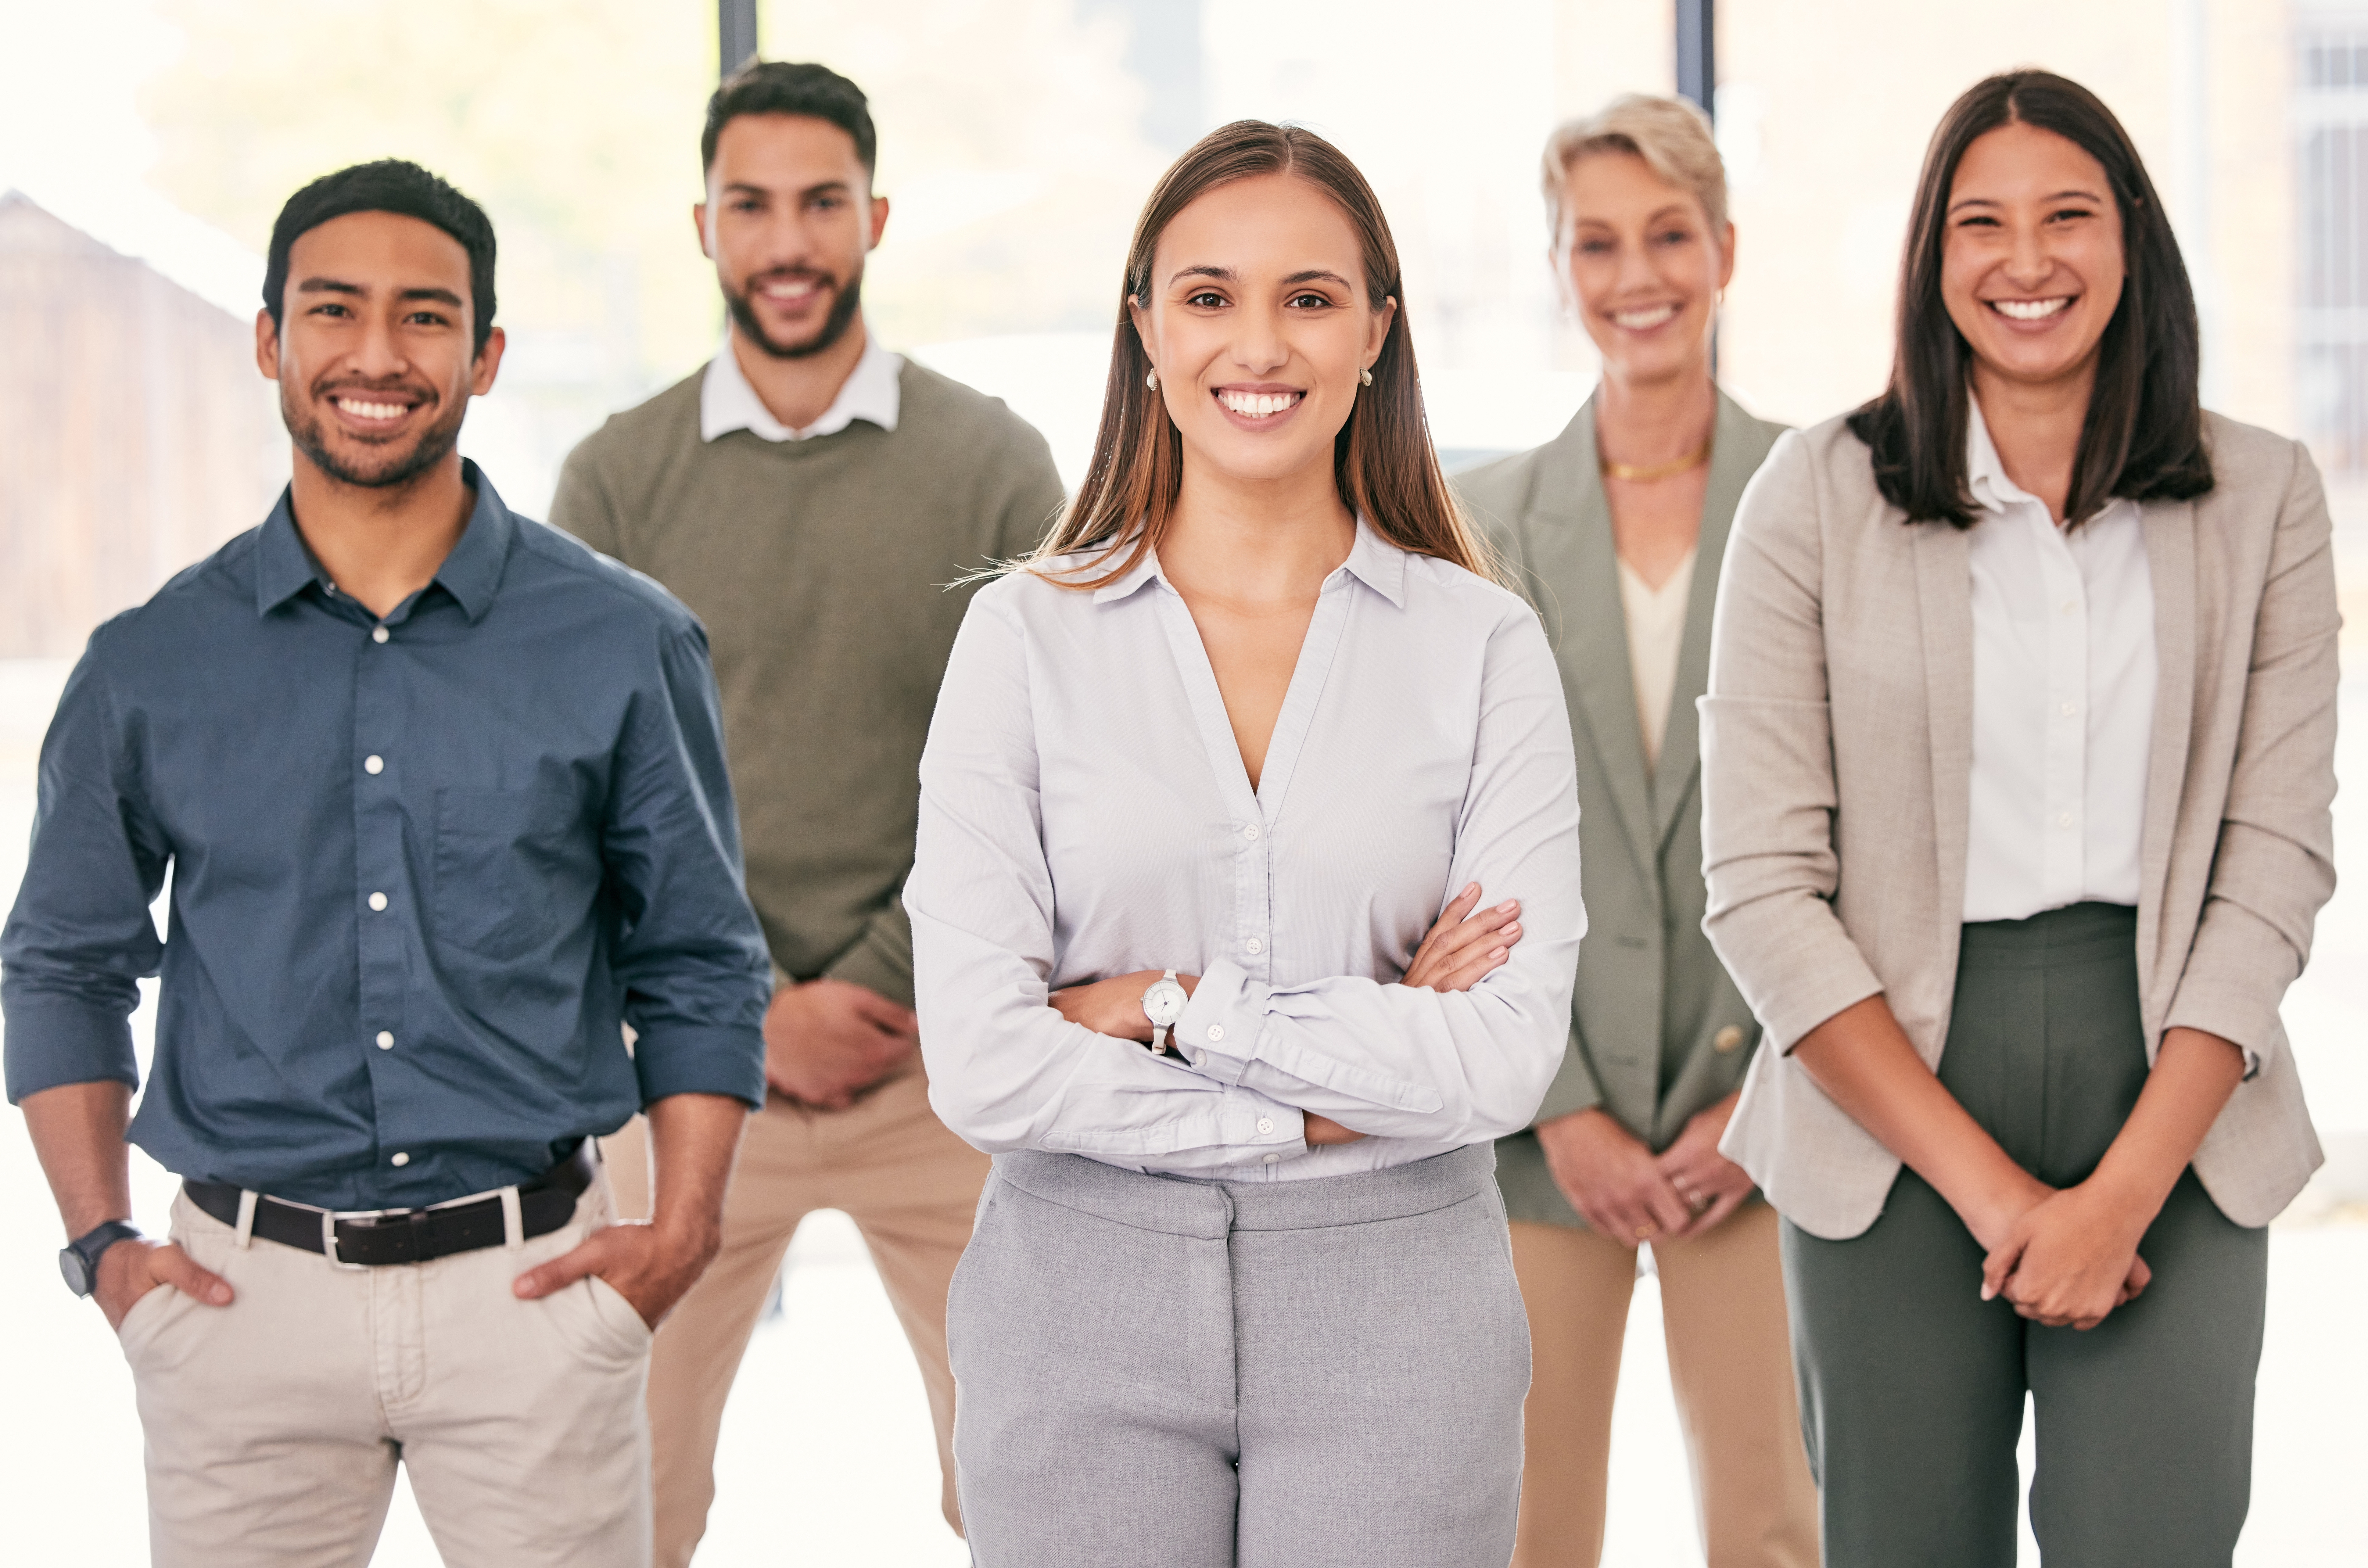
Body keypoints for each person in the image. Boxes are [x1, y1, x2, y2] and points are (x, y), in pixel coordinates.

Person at [2, 159, 770, 1567]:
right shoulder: (150, 665)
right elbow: (62, 962)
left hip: (534, 1289)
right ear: (269, 341)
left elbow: (699, 956)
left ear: (482, 353)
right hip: (240, 1306)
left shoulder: (620, 642)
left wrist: (683, 1232)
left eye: (424, 318)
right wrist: (105, 1247)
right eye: (332, 311)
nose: (375, 355)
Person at [905, 120, 1587, 1566]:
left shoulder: (1483, 646)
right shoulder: (1020, 638)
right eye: (1208, 297)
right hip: (1075, 1294)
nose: (1257, 344)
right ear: (1145, 329)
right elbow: (982, 1059)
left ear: (1376, 334)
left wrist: (1165, 1011)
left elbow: (1503, 1056)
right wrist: (1361, 1062)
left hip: (1400, 1301)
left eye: (1310, 297)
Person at [1701, 71, 2338, 1566]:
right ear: (1931, 262)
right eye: (1977, 224)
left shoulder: (2261, 495)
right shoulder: (1812, 494)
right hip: (1886, 1090)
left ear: (2133, 240)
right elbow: (1759, 881)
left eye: (2067, 214)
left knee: (2154, 1543)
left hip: (2172, 1076)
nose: (2025, 260)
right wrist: (1994, 1193)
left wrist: (2119, 1193)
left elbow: (2274, 857)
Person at [548, 59, 1063, 1560]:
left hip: (946, 1064)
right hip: (695, 1074)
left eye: (820, 204)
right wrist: (750, 1006)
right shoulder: (619, 479)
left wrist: (886, 984)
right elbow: (583, 797)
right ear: (702, 226)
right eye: (751, 206)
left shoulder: (991, 465)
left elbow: (1045, 768)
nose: (787, 242)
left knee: (1032, 1480)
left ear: (874, 218)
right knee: (620, 1489)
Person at [1454, 94, 1817, 1568]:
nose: (1634, 273)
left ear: (1723, 250)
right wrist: (1554, 1098)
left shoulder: (1823, 497)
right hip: (1547, 1125)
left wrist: (1773, 1091)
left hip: (1766, 1113)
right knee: (1525, 1524)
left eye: (1667, 233)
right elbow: (1445, 845)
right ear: (1559, 266)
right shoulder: (1475, 522)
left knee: (1775, 1520)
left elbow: (1857, 836)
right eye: (1594, 242)